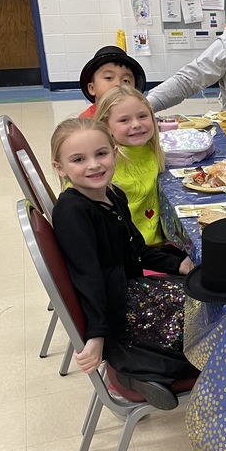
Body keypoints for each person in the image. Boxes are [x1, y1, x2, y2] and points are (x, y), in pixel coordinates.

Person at [50, 118, 196, 409]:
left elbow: (137, 250)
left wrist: (178, 264)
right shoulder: (71, 211)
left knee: (202, 297)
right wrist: (97, 335)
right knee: (202, 322)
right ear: (60, 168)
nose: (94, 165)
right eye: (79, 159)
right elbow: (87, 276)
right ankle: (136, 370)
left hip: (132, 289)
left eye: (101, 154)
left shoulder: (114, 194)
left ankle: (146, 369)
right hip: (118, 306)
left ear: (115, 153)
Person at [95, 86, 169, 248]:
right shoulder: (104, 161)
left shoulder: (151, 150)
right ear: (106, 126)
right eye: (124, 120)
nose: (136, 124)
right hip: (126, 250)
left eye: (142, 116)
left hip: (154, 245)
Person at [78, 45, 147, 119]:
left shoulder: (140, 115)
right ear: (92, 88)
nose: (118, 84)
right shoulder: (87, 121)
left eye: (126, 80)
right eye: (108, 78)